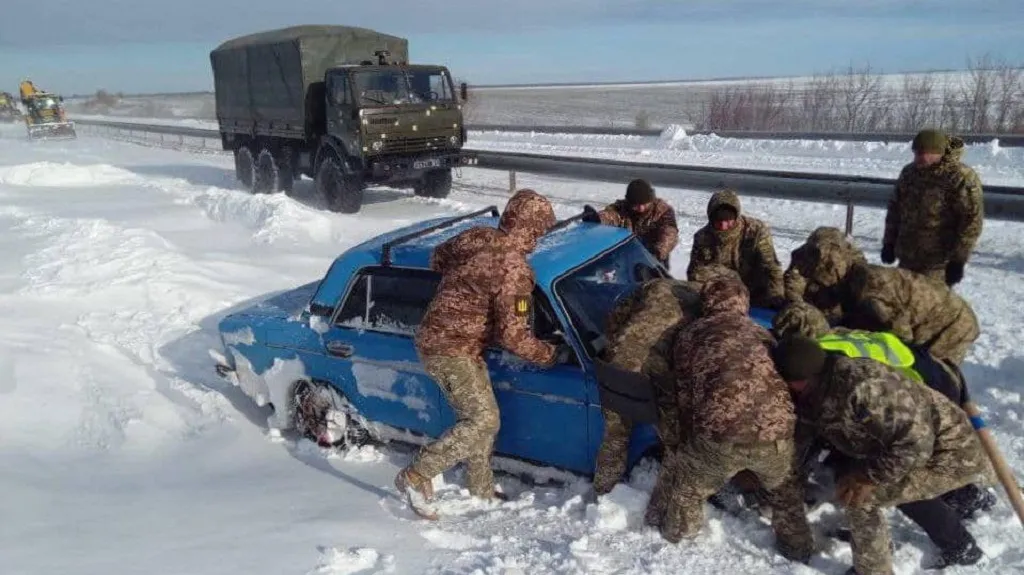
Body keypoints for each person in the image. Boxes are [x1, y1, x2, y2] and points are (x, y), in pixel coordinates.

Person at [397, 189, 565, 519]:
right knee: (483, 420)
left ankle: (481, 491)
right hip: (452, 350)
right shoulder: (515, 273)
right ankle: (416, 475)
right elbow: (513, 335)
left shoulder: (478, 236)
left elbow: (438, 258)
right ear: (533, 229)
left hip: (442, 339)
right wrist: (549, 354)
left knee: (481, 419)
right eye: (541, 231)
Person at [772, 335, 993, 574]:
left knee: (859, 495)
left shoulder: (863, 388)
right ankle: (963, 510)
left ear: (797, 381)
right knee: (864, 476)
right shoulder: (821, 382)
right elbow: (805, 435)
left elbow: (916, 446)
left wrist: (867, 477)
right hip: (905, 447)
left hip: (951, 454)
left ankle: (875, 568)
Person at [660, 277, 814, 563]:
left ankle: (678, 535)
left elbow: (683, 394)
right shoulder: (761, 333)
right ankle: (798, 550)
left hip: (719, 441)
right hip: (776, 437)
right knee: (784, 492)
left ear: (707, 304)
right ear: (743, 303)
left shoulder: (690, 335)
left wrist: (689, 439)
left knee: (688, 487)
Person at [591, 264, 740, 524]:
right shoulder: (706, 316)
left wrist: (618, 344)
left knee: (615, 434)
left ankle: (603, 495)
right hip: (646, 374)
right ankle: (657, 512)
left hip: (615, 364)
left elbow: (618, 313)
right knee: (675, 443)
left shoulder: (659, 285)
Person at [795, 237, 980, 366]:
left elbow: (900, 340)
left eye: (814, 277)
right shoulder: (851, 277)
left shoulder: (870, 287)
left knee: (933, 376)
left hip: (951, 325)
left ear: (827, 271)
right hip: (932, 318)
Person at [882, 129, 984, 286]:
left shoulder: (960, 177)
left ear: (938, 152)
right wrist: (889, 243)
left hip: (937, 264)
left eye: (923, 154)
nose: (918, 158)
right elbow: (895, 209)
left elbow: (971, 221)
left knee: (929, 308)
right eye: (916, 153)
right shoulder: (910, 173)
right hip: (907, 257)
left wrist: (958, 260)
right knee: (902, 305)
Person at [685, 189, 785, 309]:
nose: (723, 226)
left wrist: (777, 297)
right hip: (726, 294)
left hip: (757, 291)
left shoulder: (756, 230)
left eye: (728, 221)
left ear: (736, 217)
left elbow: (771, 267)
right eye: (718, 221)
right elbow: (695, 273)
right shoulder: (702, 237)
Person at [581, 178, 679, 268]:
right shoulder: (622, 208)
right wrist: (597, 218)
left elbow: (669, 233)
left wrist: (656, 254)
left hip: (654, 261)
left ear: (651, 200)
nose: (641, 209)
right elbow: (611, 215)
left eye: (644, 204)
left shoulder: (663, 211)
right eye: (636, 205)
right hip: (627, 260)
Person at [783, 227, 866, 323]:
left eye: (831, 248)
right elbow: (793, 284)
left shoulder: (854, 259)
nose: (824, 252)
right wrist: (801, 311)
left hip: (841, 303)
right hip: (812, 302)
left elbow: (860, 289)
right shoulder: (802, 255)